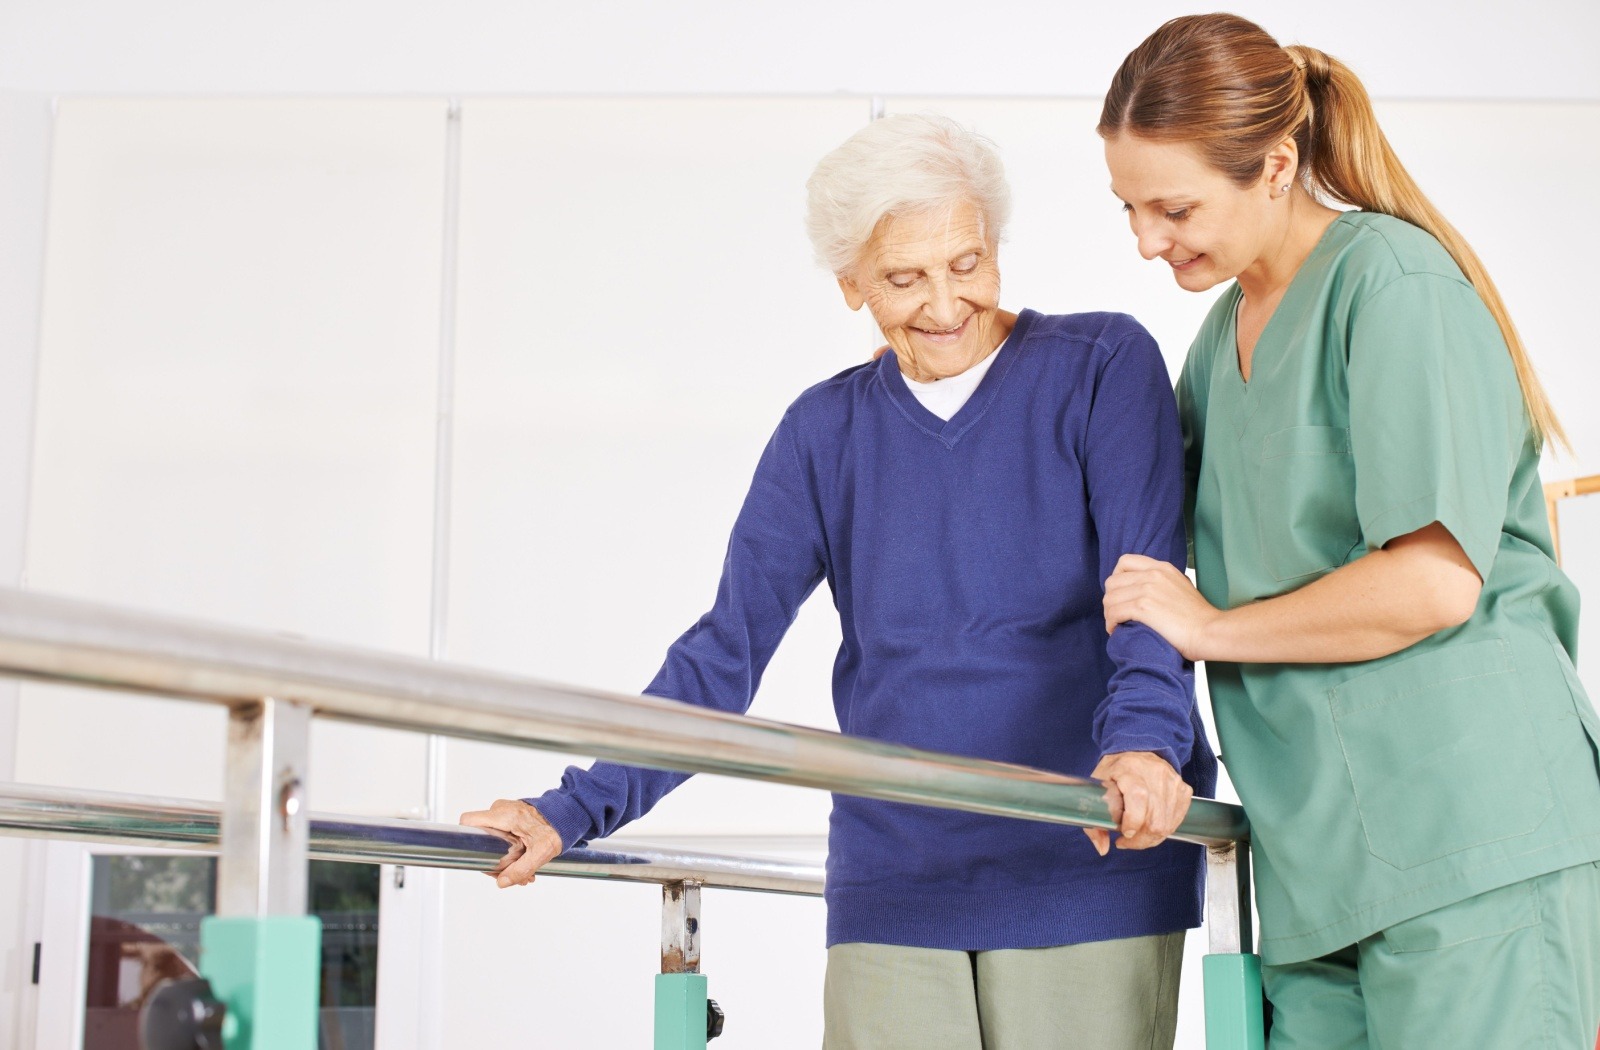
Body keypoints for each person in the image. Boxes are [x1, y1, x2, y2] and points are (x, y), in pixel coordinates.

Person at [461, 112, 1216, 1049]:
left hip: (1087, 853)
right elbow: (722, 653)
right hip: (895, 878)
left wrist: (1145, 746)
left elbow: (1148, 591)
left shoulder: (1101, 366)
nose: (945, 304)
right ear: (851, 283)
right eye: (904, 278)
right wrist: (574, 807)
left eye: (968, 264)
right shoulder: (824, 433)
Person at [1098, 14, 1600, 1048]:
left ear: (1274, 165)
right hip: (1320, 857)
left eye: (1173, 207)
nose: (1148, 240)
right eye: (1130, 211)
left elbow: (1432, 584)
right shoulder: (1216, 342)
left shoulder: (1391, 284)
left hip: (1470, 835)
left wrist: (1210, 630)